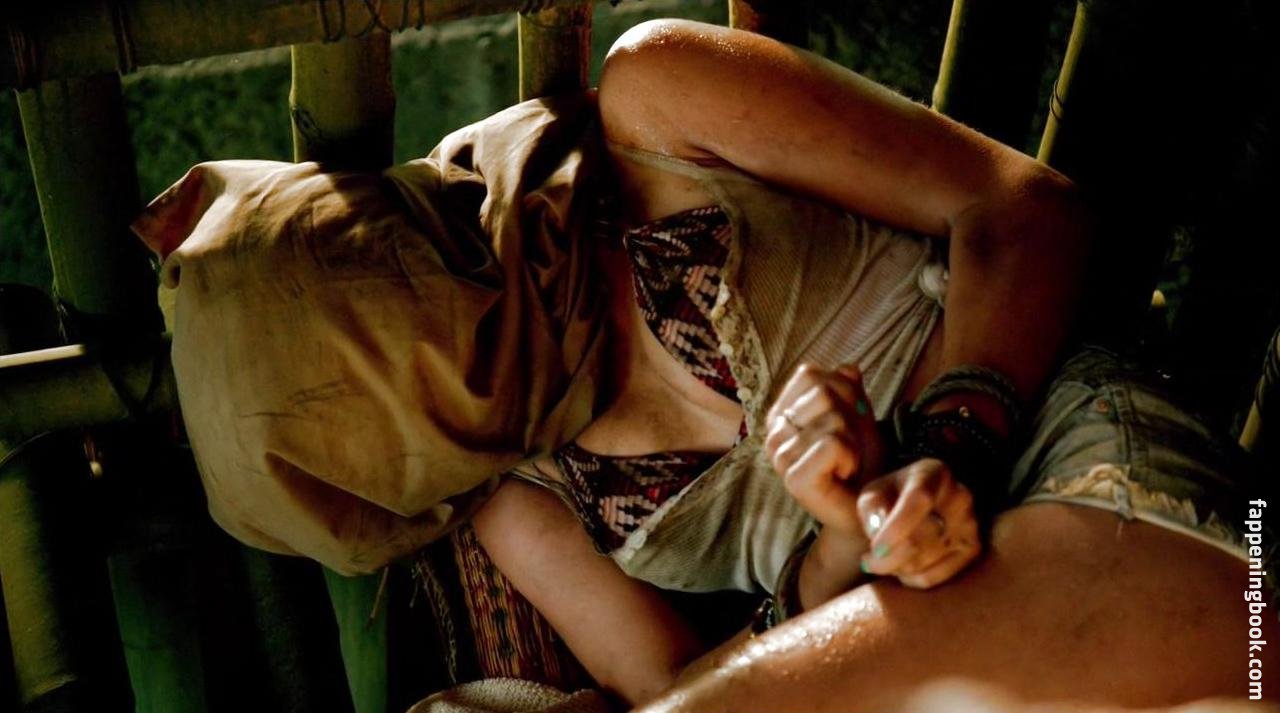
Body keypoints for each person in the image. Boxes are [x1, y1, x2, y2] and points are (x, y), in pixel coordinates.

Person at [133, 17, 1276, 711]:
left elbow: (1023, 212)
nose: (431, 408)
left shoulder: (653, 105)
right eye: (372, 448)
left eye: (377, 348)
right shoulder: (513, 501)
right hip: (904, 635)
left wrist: (950, 445)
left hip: (1088, 484)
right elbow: (692, 677)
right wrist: (842, 535)